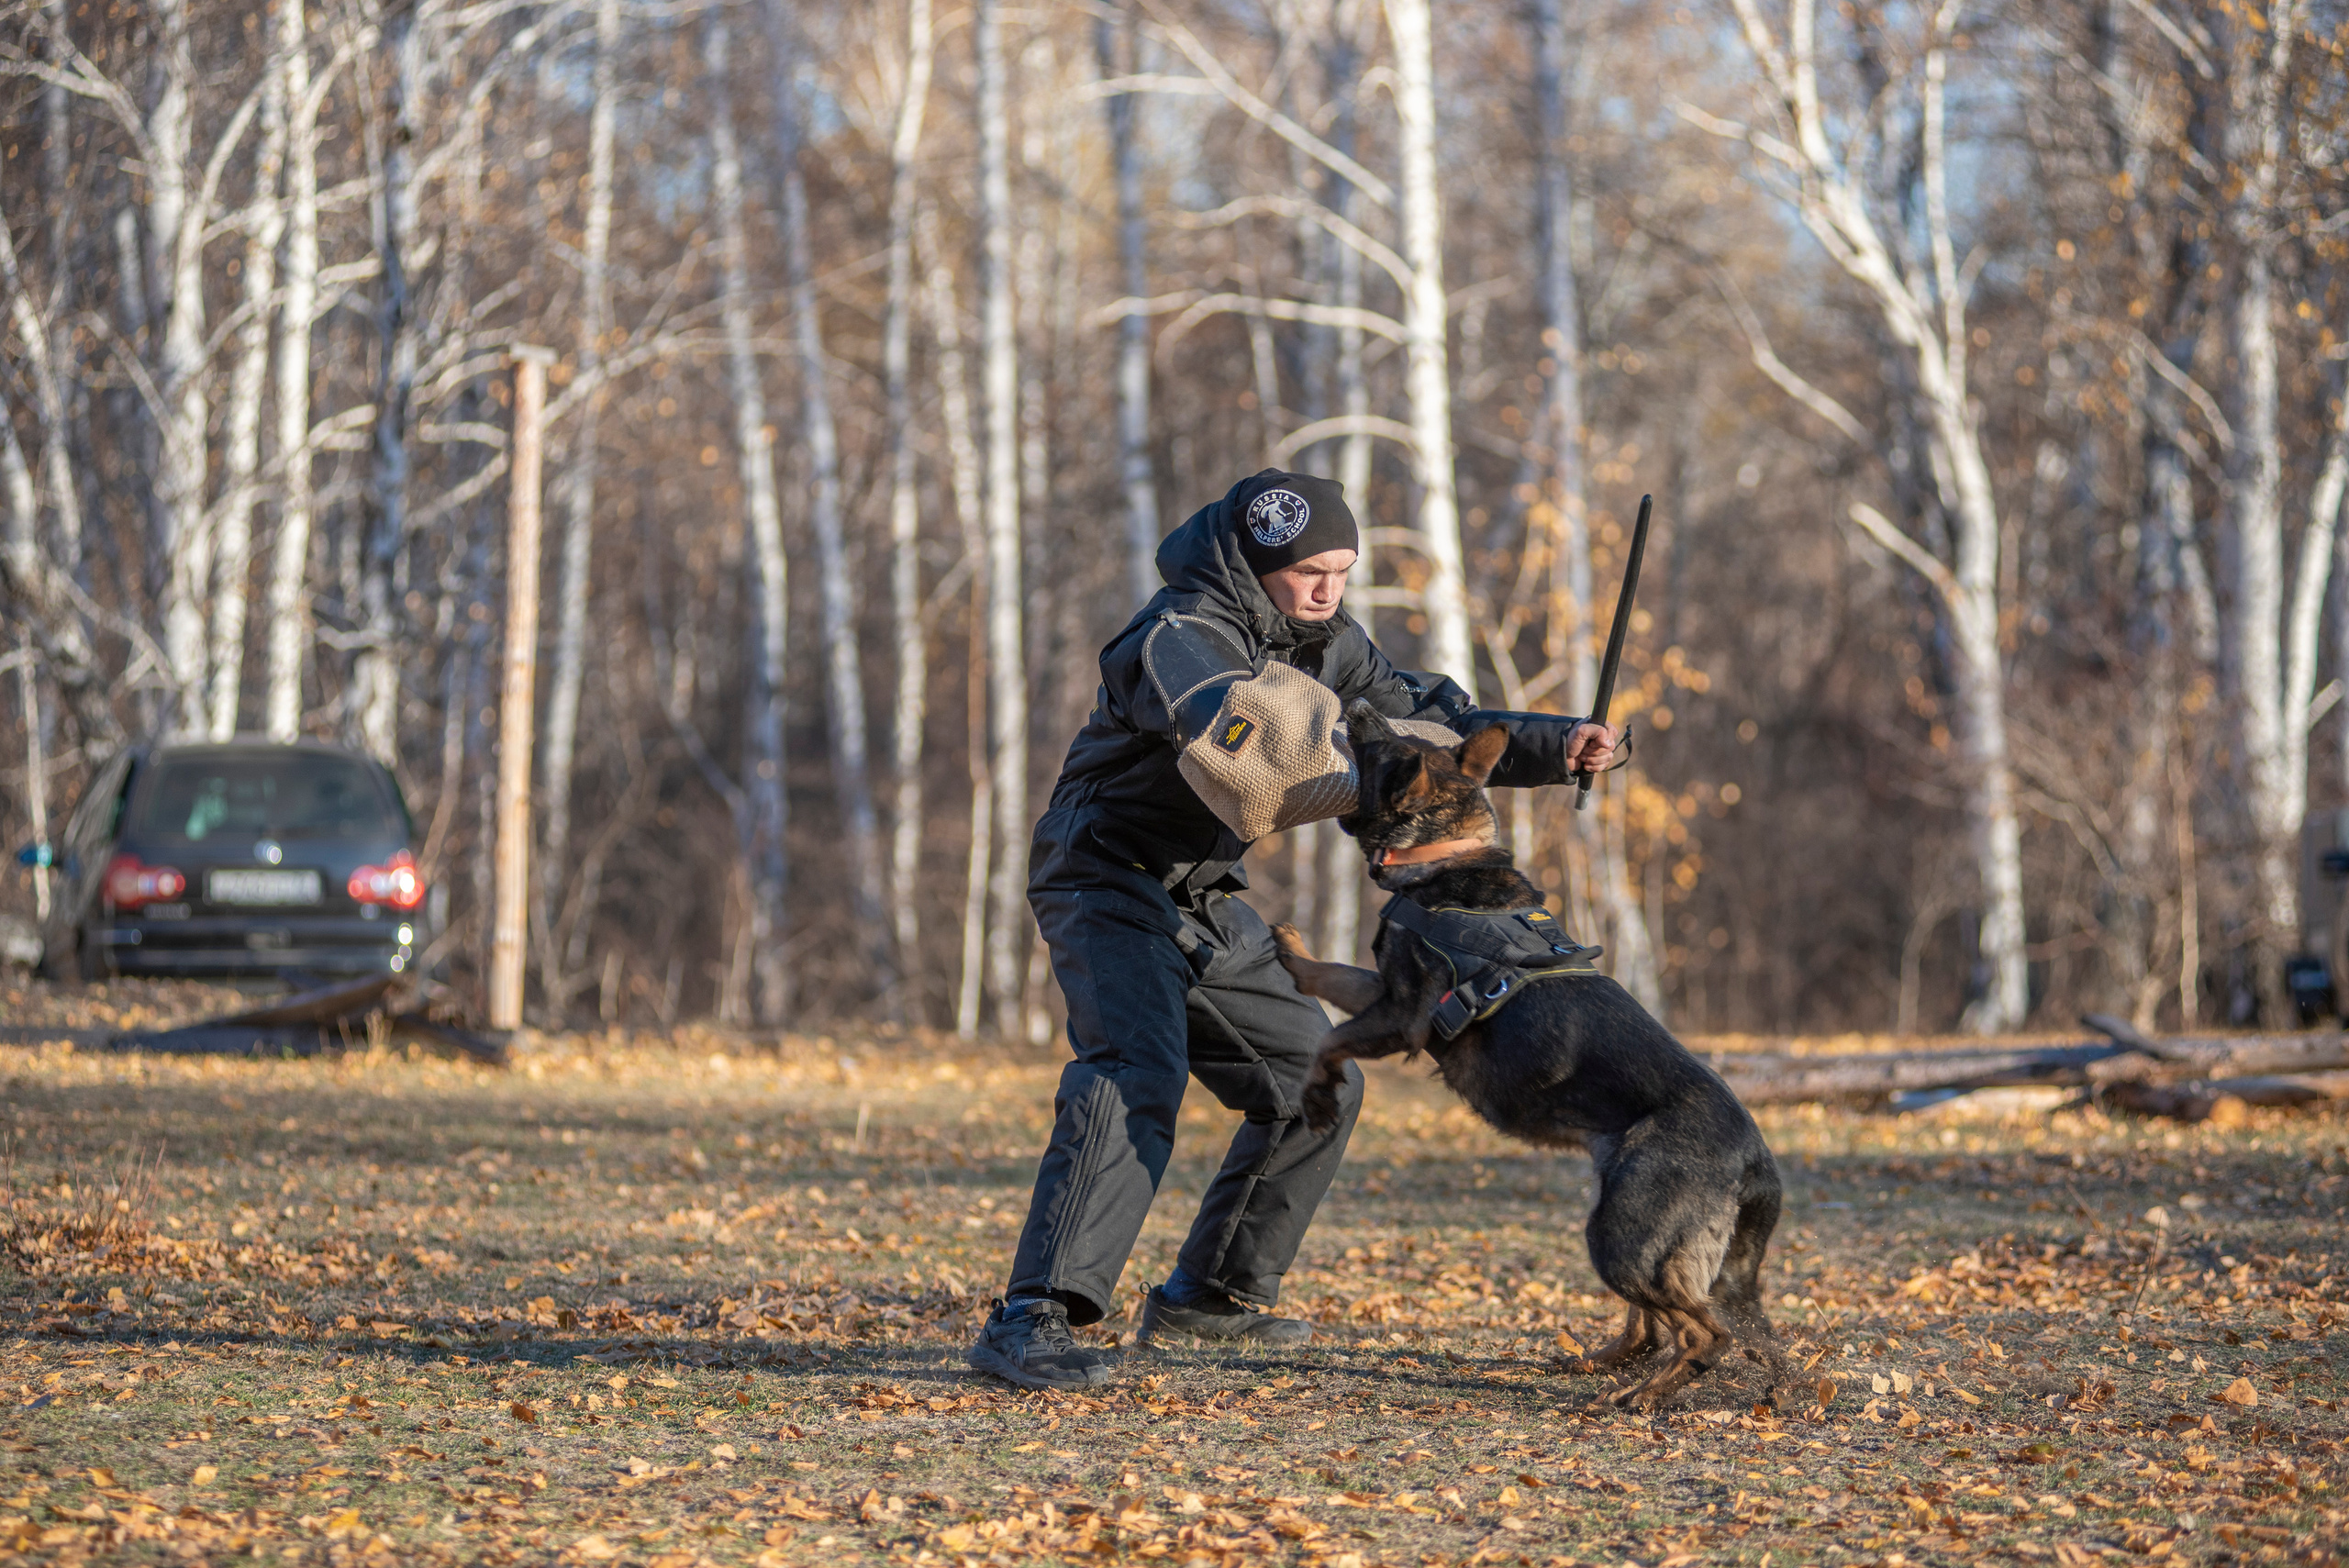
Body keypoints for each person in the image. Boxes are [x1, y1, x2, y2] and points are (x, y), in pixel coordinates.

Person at [966, 469, 1620, 1390]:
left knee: (1311, 1073)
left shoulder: (1326, 639)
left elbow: (1433, 720)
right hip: (1103, 871)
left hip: (1198, 890)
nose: (1326, 592)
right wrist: (1374, 766)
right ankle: (1031, 1318)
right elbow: (1247, 752)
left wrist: (1559, 744)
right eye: (1308, 571)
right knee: (1135, 1066)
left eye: (1342, 572)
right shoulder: (1178, 633)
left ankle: (1210, 1298)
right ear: (1256, 563)